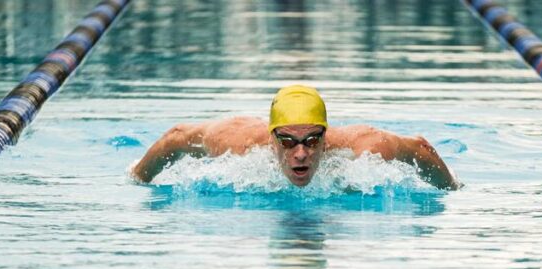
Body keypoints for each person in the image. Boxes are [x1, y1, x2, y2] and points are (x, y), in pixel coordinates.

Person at [131, 85, 459, 190]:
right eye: (287, 141)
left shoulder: (365, 148)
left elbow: (419, 147)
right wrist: (137, 179)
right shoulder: (238, 145)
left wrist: (452, 190)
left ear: (326, 136)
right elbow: (176, 137)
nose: (300, 153)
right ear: (270, 138)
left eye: (312, 140)